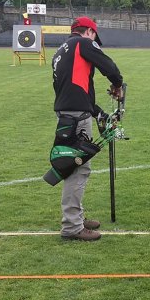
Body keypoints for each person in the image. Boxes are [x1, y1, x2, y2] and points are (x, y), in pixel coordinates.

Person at [52, 16, 124, 242]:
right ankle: (72, 226)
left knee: (76, 166)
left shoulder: (62, 50)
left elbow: (78, 92)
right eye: (94, 36)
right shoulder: (83, 43)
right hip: (76, 118)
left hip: (69, 114)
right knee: (78, 169)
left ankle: (77, 218)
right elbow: (109, 66)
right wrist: (118, 84)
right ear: (89, 32)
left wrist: (98, 113)